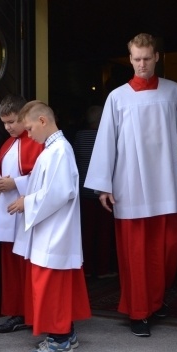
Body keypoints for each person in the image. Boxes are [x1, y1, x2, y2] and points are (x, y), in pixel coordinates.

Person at [84, 33, 177, 337]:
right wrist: (103, 185)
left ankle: (155, 299)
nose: (142, 64)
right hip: (129, 184)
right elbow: (106, 141)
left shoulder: (173, 91)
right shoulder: (117, 97)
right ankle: (139, 311)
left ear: (156, 57)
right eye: (136, 59)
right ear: (130, 59)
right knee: (136, 253)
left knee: (168, 249)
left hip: (165, 182)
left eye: (147, 58)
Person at [7, 101, 91, 352]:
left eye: (30, 128)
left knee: (52, 285)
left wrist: (27, 202)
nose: (28, 134)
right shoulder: (53, 149)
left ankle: (60, 340)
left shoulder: (59, 151)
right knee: (53, 284)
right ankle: (67, 333)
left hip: (56, 230)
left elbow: (59, 192)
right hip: (50, 227)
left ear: (42, 121)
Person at [0, 94, 44, 334]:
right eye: (4, 123)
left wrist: (16, 184)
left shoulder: (37, 142)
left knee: (27, 267)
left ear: (24, 117)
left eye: (12, 121)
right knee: (12, 268)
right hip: (9, 214)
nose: (8, 127)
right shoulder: (7, 144)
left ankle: (32, 314)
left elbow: (43, 178)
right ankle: (16, 311)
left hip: (28, 214)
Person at [74, 105, 117, 278]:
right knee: (104, 233)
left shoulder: (79, 136)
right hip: (103, 191)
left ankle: (87, 268)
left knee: (86, 232)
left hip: (84, 191)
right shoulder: (104, 136)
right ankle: (103, 269)